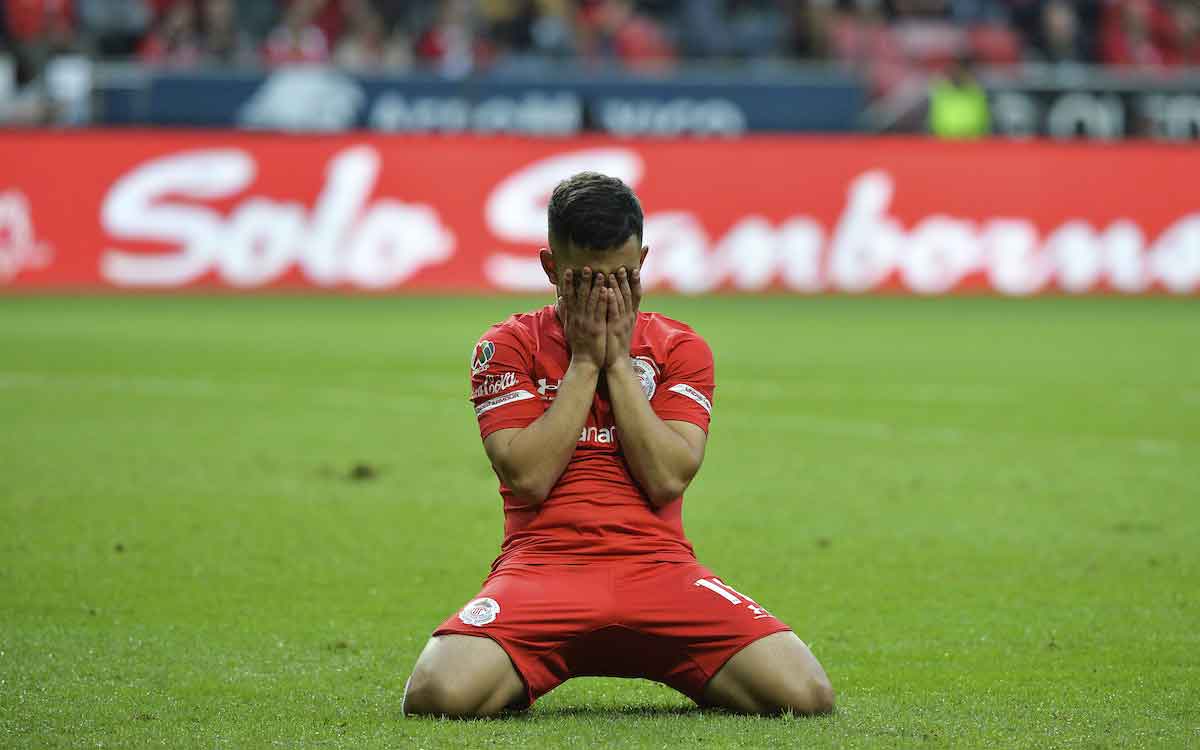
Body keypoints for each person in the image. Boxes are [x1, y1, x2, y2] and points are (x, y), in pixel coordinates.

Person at [402, 172, 835, 718]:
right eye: (586, 280)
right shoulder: (507, 345)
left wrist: (618, 364)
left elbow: (667, 478)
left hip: (659, 569)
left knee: (806, 696)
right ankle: (530, 658)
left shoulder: (681, 348)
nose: (607, 294)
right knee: (436, 695)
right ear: (550, 268)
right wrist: (584, 362)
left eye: (623, 277)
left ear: (644, 261)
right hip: (542, 571)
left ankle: (562, 664)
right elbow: (528, 478)